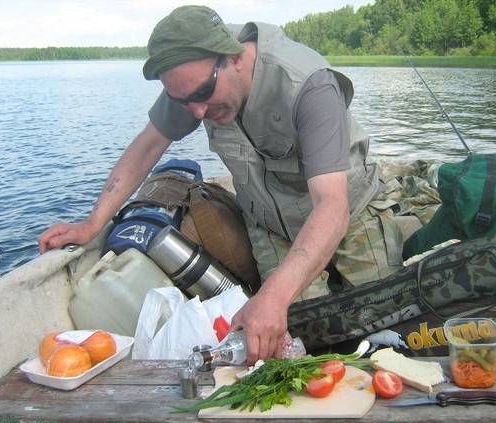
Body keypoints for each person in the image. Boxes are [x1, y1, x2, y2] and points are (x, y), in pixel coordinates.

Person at [38, 5, 404, 364]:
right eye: (184, 102)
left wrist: (273, 297)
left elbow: (332, 206)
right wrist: (93, 223)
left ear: (235, 58)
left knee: (385, 322)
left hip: (349, 210)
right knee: (301, 338)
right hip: (271, 224)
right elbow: (148, 145)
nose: (196, 113)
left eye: (202, 95)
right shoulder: (193, 82)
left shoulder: (309, 84)